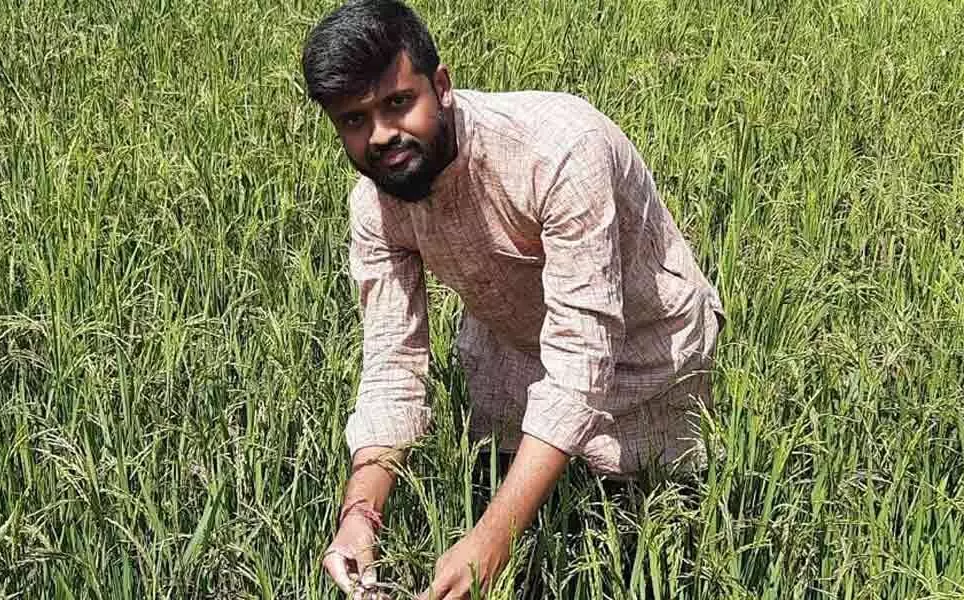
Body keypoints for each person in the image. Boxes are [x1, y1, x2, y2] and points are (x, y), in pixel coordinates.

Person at [301, 1, 725, 598]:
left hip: (647, 352)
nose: (381, 136)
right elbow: (393, 368)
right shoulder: (377, 208)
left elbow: (582, 362)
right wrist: (359, 518)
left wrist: (489, 540)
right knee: (536, 551)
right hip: (513, 359)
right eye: (354, 119)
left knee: (652, 548)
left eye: (398, 103)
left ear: (440, 86)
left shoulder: (556, 153)